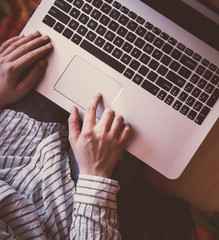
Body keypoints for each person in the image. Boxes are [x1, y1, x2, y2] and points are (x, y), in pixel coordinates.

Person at [0, 32, 131, 239]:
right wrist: (95, 174)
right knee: (143, 114)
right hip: (77, 213)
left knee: (57, 44)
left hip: (10, 141)